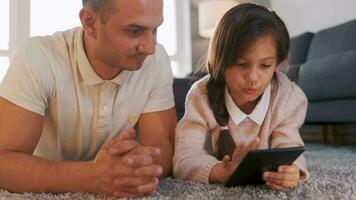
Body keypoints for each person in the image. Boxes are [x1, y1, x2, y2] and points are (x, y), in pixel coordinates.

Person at [0, 0, 177, 197]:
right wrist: (92, 176)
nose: (150, 47)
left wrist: (133, 168)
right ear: (90, 22)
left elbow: (162, 150)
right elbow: (3, 162)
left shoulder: (156, 60)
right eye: (135, 31)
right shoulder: (39, 56)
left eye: (155, 30)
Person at [173, 3, 309, 190]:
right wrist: (222, 171)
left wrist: (291, 171)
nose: (253, 78)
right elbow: (184, 158)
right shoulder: (201, 96)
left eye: (265, 66)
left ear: (277, 63)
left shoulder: (289, 97)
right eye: (240, 64)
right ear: (220, 61)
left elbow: (290, 149)